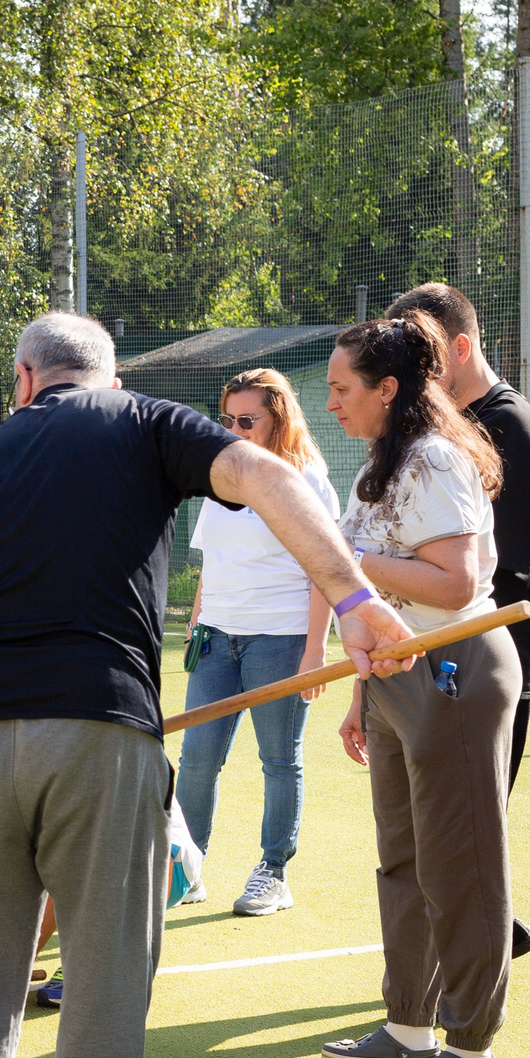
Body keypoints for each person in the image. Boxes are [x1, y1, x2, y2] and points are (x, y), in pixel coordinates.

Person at [0, 312, 414, 1058]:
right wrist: (354, 598)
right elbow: (267, 474)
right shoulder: (145, 421)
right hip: (99, 722)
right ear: (102, 377)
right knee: (106, 963)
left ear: (26, 379)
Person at [316, 312, 521, 1058]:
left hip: (455, 670)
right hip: (397, 676)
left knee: (460, 863)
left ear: (387, 387)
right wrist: (362, 690)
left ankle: (473, 1048)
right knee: (401, 857)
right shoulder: (382, 457)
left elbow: (453, 584)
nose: (332, 401)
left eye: (342, 387)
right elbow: (378, 598)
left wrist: (339, 558)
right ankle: (409, 1025)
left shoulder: (434, 457)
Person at [384, 282, 530, 961]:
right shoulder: (431, 431)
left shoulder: (510, 425)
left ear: (458, 347)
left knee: (468, 825)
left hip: (487, 653)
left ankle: (473, 987)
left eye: (423, 357)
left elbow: (516, 554)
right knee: (440, 827)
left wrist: (410, 568)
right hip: (436, 650)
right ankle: (481, 941)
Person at [175, 368, 338, 918]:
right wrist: (198, 626)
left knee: (278, 760)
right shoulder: (221, 478)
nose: (236, 430)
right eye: (228, 420)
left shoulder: (308, 479)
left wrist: (316, 648)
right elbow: (209, 565)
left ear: (280, 419)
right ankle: (187, 870)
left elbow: (325, 569)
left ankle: (274, 871)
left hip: (282, 639)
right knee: (196, 758)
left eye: (249, 420)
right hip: (218, 641)